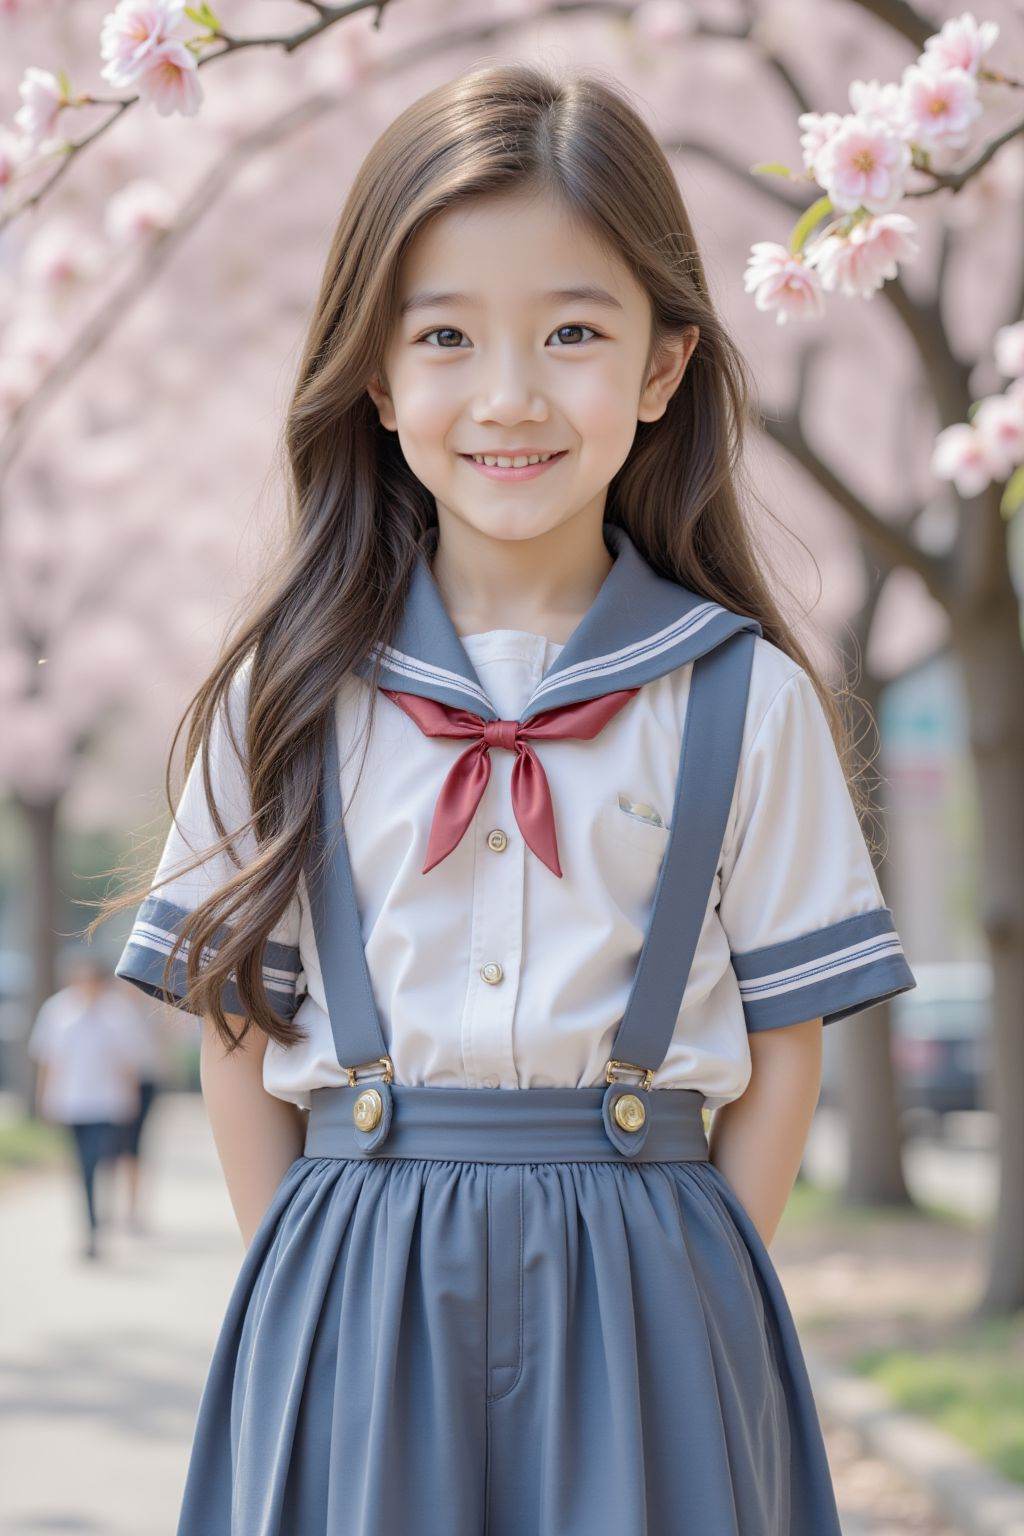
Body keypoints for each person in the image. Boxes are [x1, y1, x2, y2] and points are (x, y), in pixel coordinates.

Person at [96, 62, 917, 1535]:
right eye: (449, 338)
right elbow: (240, 1024)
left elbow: (781, 1045)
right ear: (376, 371)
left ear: (665, 367)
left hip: (655, 1260)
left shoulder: (744, 700)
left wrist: (698, 1275)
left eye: (576, 333)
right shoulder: (283, 698)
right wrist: (305, 1269)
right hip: (350, 1254)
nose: (512, 394)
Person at [27, 952, 142, 1261]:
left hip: (106, 1104)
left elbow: (128, 1062)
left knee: (98, 1163)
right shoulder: (57, 1011)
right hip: (71, 1103)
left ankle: (97, 1222)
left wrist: (130, 1100)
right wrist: (44, 1101)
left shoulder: (117, 1014)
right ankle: (90, 1226)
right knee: (82, 1167)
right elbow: (49, 1062)